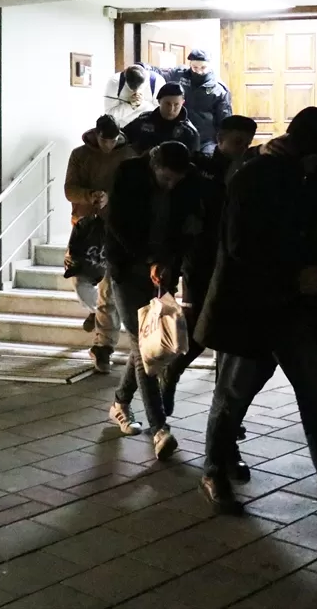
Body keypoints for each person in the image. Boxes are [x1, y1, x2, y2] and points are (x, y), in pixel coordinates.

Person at [195, 107, 317, 516]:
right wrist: (296, 274)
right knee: (233, 393)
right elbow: (241, 246)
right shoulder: (256, 176)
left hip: (291, 308)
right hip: (251, 307)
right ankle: (214, 470)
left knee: (311, 394)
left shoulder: (308, 176)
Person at [104, 142, 214, 459]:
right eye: (165, 179)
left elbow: (187, 226)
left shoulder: (189, 181)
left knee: (147, 338)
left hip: (163, 268)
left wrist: (168, 261)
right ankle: (159, 428)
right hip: (128, 266)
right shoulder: (128, 173)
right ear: (153, 166)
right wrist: (149, 258)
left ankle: (120, 403)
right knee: (143, 344)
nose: (170, 185)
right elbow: (118, 223)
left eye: (176, 180)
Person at [157, 115, 260, 425]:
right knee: (200, 331)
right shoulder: (200, 167)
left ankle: (225, 416)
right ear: (220, 139)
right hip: (200, 262)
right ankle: (171, 373)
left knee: (229, 338)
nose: (242, 148)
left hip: (235, 262)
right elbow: (180, 213)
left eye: (247, 143)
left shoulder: (249, 170)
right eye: (237, 142)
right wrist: (170, 262)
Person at [62, 114, 135, 373]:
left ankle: (103, 346)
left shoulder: (128, 155)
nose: (108, 145)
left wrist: (110, 199)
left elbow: (133, 190)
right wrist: (89, 195)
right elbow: (69, 188)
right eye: (105, 140)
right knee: (78, 278)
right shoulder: (80, 155)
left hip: (116, 229)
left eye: (113, 140)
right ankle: (95, 313)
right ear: (97, 135)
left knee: (108, 289)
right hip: (85, 228)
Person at [153, 49, 232, 156]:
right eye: (195, 67)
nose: (199, 71)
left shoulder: (219, 89)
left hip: (205, 140)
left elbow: (225, 120)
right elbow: (159, 72)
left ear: (209, 66)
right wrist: (141, 67)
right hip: (178, 135)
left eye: (203, 68)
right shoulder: (179, 74)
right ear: (190, 64)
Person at [123, 83, 201, 155]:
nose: (171, 109)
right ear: (159, 101)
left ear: (182, 103)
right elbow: (123, 136)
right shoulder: (144, 121)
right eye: (168, 104)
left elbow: (192, 161)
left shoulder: (189, 133)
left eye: (176, 105)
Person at [103, 65, 162, 130]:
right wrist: (130, 105)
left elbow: (161, 113)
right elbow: (109, 115)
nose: (135, 91)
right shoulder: (114, 82)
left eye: (139, 88)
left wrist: (141, 104)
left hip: (148, 128)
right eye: (131, 89)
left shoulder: (157, 82)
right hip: (123, 128)